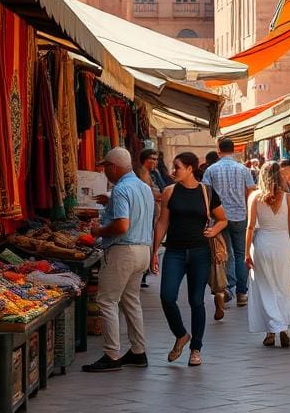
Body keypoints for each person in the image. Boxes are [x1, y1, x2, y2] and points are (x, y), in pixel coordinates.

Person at [151, 152, 228, 367]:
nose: (173, 171)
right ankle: (181, 335)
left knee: (196, 301)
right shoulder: (169, 192)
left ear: (190, 169)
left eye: (177, 167)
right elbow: (162, 222)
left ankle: (196, 349)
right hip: (174, 252)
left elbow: (223, 218)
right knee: (167, 296)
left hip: (199, 252)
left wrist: (214, 231)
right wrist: (154, 252)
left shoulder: (207, 192)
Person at [83, 147, 154, 373]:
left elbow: (122, 225)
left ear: (113, 167)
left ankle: (112, 354)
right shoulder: (144, 187)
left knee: (107, 301)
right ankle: (137, 351)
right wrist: (109, 203)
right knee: (131, 301)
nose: (104, 172)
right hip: (143, 249)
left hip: (123, 251)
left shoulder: (122, 189)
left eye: (105, 167)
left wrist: (98, 231)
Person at [245, 162, 290, 347]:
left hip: (262, 245)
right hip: (282, 245)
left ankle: (271, 331)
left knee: (264, 288)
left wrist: (246, 252)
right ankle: (283, 327)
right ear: (280, 176)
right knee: (283, 288)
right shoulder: (289, 198)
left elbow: (250, 227)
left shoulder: (255, 197)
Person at [202, 136, 255, 317]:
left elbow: (206, 195)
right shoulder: (243, 170)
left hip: (219, 218)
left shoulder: (211, 170)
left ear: (219, 150)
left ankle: (228, 289)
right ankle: (242, 293)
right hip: (240, 216)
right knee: (241, 253)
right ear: (234, 150)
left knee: (224, 254)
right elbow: (250, 192)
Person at [135, 148, 164, 289]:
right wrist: (164, 196)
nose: (154, 161)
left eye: (155, 159)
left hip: (154, 211)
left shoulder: (153, 173)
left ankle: (145, 272)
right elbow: (149, 194)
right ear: (145, 160)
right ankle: (142, 273)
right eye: (151, 159)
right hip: (147, 212)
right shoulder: (142, 173)